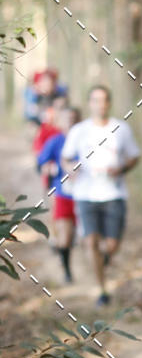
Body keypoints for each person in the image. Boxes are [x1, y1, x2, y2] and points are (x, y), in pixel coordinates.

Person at [61, 85, 141, 306]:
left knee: (111, 245)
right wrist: (70, 169)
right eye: (95, 100)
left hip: (114, 193)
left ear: (109, 103)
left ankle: (103, 259)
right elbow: (66, 158)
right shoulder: (79, 130)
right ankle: (102, 290)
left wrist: (122, 168)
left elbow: (134, 156)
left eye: (104, 100)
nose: (100, 104)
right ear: (90, 103)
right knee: (90, 241)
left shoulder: (121, 128)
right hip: (85, 194)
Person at [37, 105, 81, 283]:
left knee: (89, 238)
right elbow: (41, 164)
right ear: (61, 122)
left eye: (74, 119)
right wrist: (51, 168)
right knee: (65, 236)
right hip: (63, 194)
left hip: (87, 195)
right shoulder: (55, 141)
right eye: (67, 119)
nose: (70, 123)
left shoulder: (86, 141)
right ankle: (67, 271)